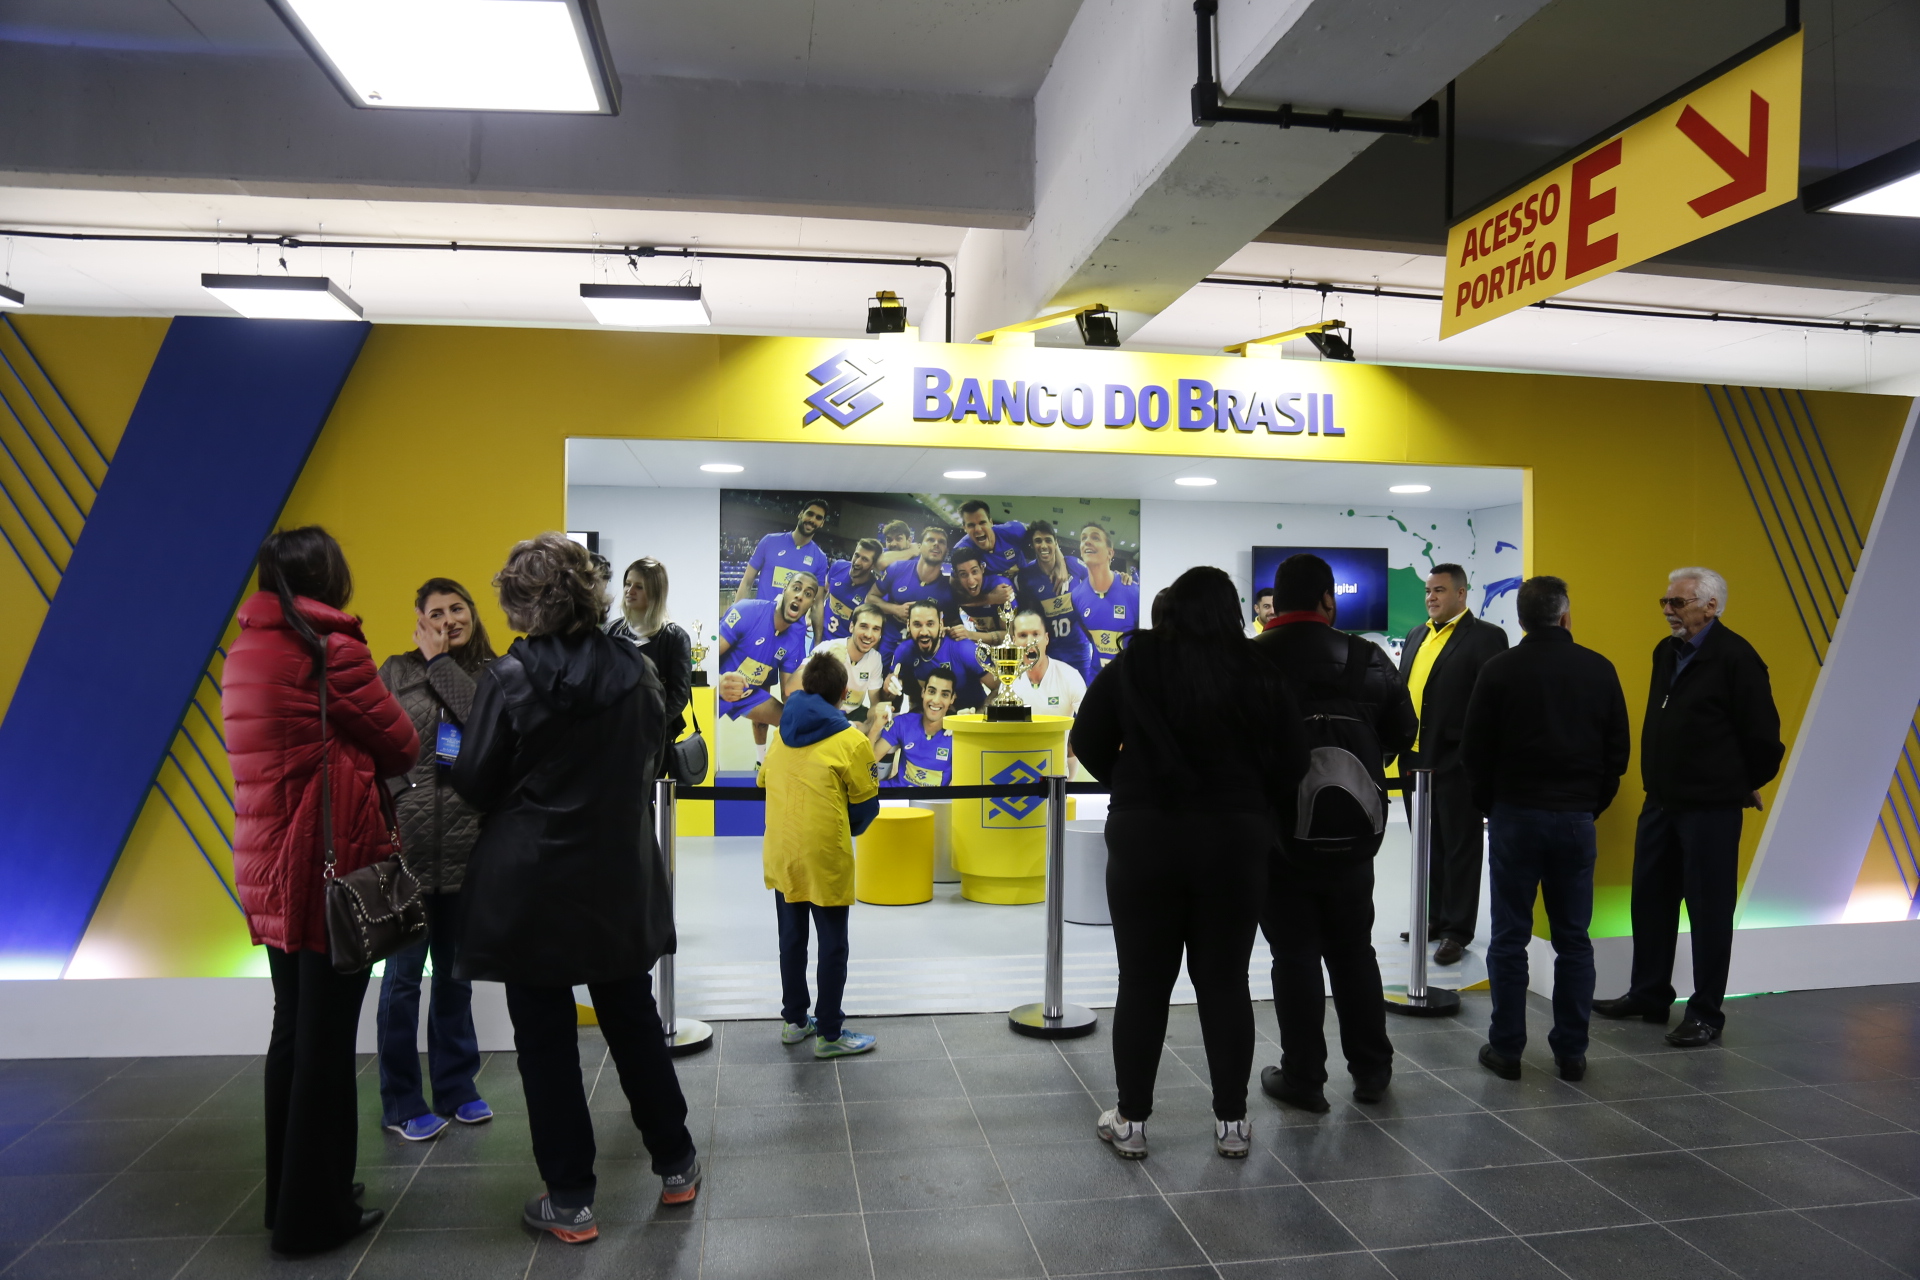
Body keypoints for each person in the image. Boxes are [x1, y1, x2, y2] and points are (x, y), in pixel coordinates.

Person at [452, 533, 699, 1244]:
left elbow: (473, 781)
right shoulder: (637, 669)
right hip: (618, 872)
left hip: (531, 887)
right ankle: (677, 1163)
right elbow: (651, 757)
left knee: (546, 1042)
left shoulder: (510, 676)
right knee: (631, 1018)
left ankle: (571, 1200)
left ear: (521, 602)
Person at [225, 526, 416, 1257]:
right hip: (323, 869)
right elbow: (399, 741)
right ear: (327, 577)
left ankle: (290, 1196)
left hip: (267, 861)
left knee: (292, 1030)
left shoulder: (248, 649)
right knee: (328, 1043)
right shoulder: (330, 650)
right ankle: (316, 1216)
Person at [1072, 566, 1306, 1161]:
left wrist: (1131, 784)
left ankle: (1132, 1121)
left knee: (1143, 982)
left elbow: (1089, 738)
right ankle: (1232, 1122)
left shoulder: (1136, 663)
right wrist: (1252, 797)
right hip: (1234, 841)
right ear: (1233, 612)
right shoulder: (1259, 670)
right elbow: (1293, 760)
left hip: (1145, 837)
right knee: (1225, 981)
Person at [1593, 568, 1783, 1048]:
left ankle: (1705, 1014)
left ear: (1710, 606)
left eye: (1677, 602)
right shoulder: (1666, 652)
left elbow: (1764, 739)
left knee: (1708, 911)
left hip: (1710, 810)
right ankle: (1650, 994)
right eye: (1665, 601)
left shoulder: (1737, 658)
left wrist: (1740, 784)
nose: (1667, 610)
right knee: (1650, 902)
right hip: (1661, 803)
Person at [1254, 553, 1417, 1111]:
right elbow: (1403, 729)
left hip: (1278, 840)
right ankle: (1372, 1070)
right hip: (1354, 838)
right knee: (1353, 950)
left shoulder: (1251, 662)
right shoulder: (1368, 658)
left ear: (1276, 601)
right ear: (1330, 600)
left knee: (1294, 956)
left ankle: (1304, 1078)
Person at [1461, 576, 1630, 1081]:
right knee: (1574, 940)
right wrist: (1587, 806)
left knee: (1510, 937)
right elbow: (1616, 755)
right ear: (1565, 616)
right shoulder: (1599, 669)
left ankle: (1507, 1049)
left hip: (1514, 816)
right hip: (1576, 820)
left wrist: (1492, 807)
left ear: (1521, 619)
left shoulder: (1499, 670)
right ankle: (1572, 1053)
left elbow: (1474, 752)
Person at [373, 577, 498, 1143]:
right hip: (407, 849)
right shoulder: (395, 671)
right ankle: (401, 1100)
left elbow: (481, 723)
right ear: (419, 619)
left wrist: (441, 663)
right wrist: (399, 795)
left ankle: (457, 1087)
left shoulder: (493, 672)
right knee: (402, 981)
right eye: (436, 611)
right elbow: (372, 744)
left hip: (469, 848)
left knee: (455, 977)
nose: (448, 618)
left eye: (457, 608)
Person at [762, 651, 884, 1058]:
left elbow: (764, 779)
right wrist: (839, 826)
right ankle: (830, 1033)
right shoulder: (850, 740)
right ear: (844, 694)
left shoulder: (781, 733)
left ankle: (795, 1020)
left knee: (791, 938)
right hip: (825, 853)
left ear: (803, 688)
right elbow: (866, 807)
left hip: (781, 850)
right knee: (832, 944)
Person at [1396, 562, 1510, 967]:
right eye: (1428, 591)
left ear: (1461, 594)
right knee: (1428, 846)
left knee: (1460, 846)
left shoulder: (1486, 637)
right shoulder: (1415, 635)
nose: (1431, 597)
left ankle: (1457, 931)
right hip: (1414, 759)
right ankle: (1433, 919)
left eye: (1440, 591)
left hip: (1458, 761)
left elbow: (1497, 702)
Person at [717, 574, 820, 775]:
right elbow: (704, 660)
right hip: (718, 689)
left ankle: (767, 765)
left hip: (749, 696)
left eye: (807, 594)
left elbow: (788, 693)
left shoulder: (794, 640)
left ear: (810, 604)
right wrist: (718, 681)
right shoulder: (747, 611)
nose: (800, 596)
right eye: (796, 588)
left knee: (793, 722)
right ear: (784, 590)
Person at [607, 556, 694, 744]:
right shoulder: (610, 632)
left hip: (655, 737)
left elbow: (679, 696)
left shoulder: (675, 637)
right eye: (628, 584)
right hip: (612, 734)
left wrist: (650, 727)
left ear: (655, 592)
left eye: (639, 586)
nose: (630, 591)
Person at [1016, 521, 1094, 680]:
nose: (1043, 545)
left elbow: (1100, 578)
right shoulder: (1026, 575)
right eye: (1038, 541)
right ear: (1032, 544)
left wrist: (1122, 578)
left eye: (1048, 540)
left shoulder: (1073, 564)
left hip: (1078, 649)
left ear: (1055, 543)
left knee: (1082, 699)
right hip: (1050, 652)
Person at [890, 600, 997, 713]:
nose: (924, 632)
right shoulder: (904, 651)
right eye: (917, 625)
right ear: (908, 625)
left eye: (930, 624)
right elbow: (891, 690)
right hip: (932, 716)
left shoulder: (964, 649)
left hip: (969, 713)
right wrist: (889, 689)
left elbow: (999, 687)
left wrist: (977, 716)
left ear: (941, 624)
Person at [867, 523, 956, 654]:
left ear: (946, 551)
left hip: (922, 654)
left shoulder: (948, 589)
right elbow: (870, 598)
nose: (936, 543)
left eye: (941, 542)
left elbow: (952, 624)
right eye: (930, 540)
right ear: (919, 546)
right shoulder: (897, 568)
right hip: (888, 647)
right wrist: (895, 609)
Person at [1073, 522, 1139, 682]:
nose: (1087, 541)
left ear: (1110, 553)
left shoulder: (1134, 592)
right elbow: (1089, 633)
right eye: (1083, 538)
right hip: (1097, 680)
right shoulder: (1076, 595)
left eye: (1095, 538)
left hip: (1129, 681)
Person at [872, 667, 958, 787]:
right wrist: (876, 727)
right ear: (923, 692)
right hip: (898, 796)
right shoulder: (903, 723)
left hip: (933, 803)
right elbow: (868, 762)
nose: (936, 700)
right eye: (932, 692)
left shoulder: (958, 734)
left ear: (952, 699)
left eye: (944, 694)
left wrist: (966, 727)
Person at [1007, 607, 1086, 720]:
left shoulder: (1070, 677)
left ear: (1046, 638)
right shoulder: (1009, 681)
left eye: (1035, 634)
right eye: (1023, 635)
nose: (1030, 642)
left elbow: (1092, 722)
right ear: (1014, 641)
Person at [811, 605, 888, 717]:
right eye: (863, 626)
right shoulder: (827, 649)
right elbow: (792, 688)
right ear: (852, 627)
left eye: (875, 629)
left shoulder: (875, 659)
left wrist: (867, 724)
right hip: (822, 711)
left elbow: (875, 704)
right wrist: (824, 664)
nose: (869, 635)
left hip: (852, 713)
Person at [948, 545, 1015, 644]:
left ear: (982, 569)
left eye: (975, 571)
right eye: (963, 574)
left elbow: (1010, 635)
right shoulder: (956, 592)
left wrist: (970, 635)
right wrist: (989, 599)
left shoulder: (1001, 588)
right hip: (983, 646)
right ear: (957, 576)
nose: (971, 581)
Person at [823, 538, 884, 643]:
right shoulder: (838, 566)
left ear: (873, 565)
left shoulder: (874, 592)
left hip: (844, 648)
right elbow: (824, 592)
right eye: (856, 555)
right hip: (820, 637)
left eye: (865, 559)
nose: (857, 562)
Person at [958, 498, 1028, 579]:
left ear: (991, 522)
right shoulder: (961, 551)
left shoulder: (1013, 530)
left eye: (982, 522)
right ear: (964, 528)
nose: (978, 529)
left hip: (1024, 576)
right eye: (971, 525)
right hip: (995, 586)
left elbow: (1038, 531)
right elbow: (955, 584)